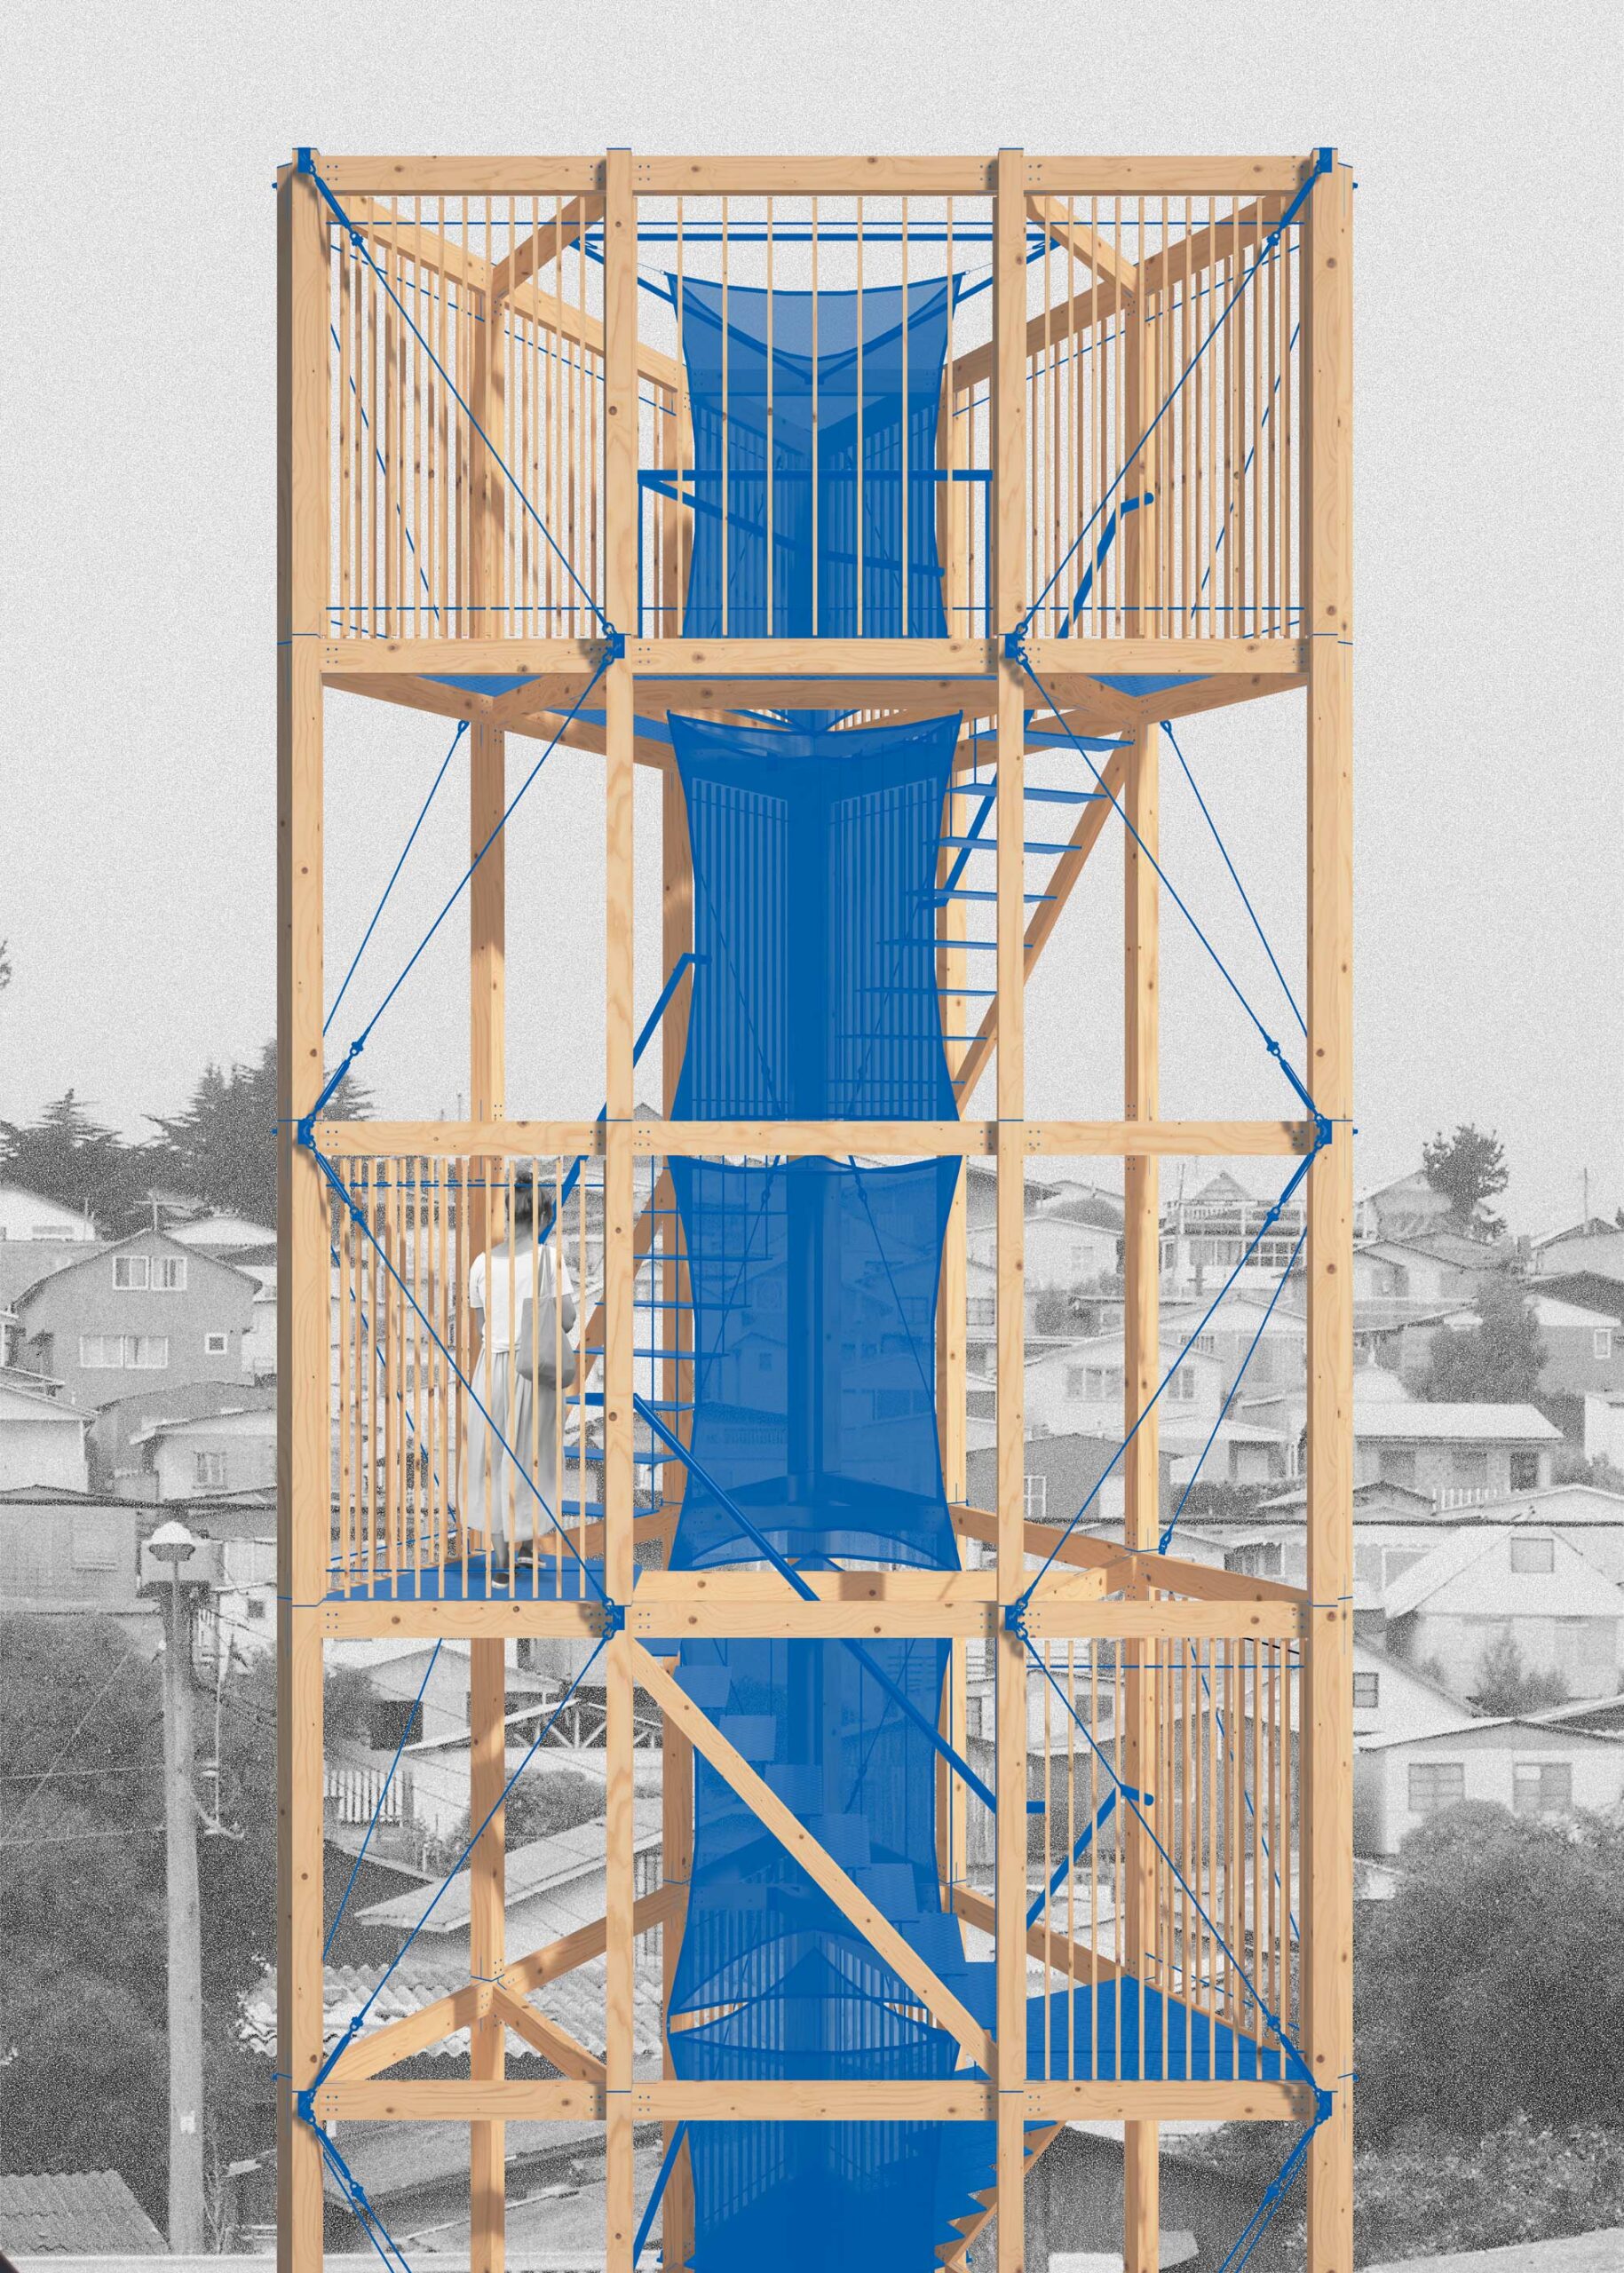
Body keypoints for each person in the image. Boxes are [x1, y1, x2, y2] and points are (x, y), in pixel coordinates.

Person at [466, 1170, 577, 1579]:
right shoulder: (549, 1259)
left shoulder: (482, 1263)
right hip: (533, 1370)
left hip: (490, 1371)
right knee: (535, 1455)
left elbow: (482, 1325)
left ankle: (500, 1563)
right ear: (544, 1216)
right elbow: (567, 1320)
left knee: (492, 1459)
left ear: (508, 1214)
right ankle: (528, 1545)